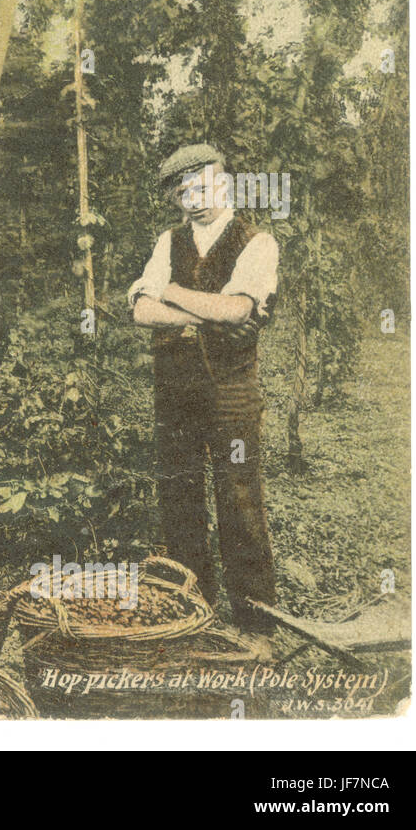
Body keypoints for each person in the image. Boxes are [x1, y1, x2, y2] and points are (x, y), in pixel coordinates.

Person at [128, 143, 279, 640]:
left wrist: (168, 292)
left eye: (203, 185)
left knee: (239, 496)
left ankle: (256, 621)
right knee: (179, 495)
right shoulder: (167, 241)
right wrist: (204, 312)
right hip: (175, 391)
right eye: (181, 191)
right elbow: (140, 312)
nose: (193, 198)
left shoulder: (257, 242)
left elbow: (238, 308)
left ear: (225, 183)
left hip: (231, 389)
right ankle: (194, 611)